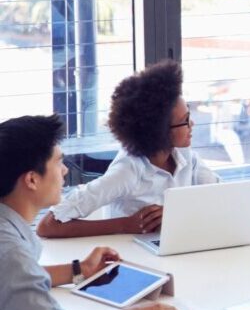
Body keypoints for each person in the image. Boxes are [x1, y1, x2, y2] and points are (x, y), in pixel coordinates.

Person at [0, 115, 185, 310]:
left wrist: (78, 270)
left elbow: (12, 279)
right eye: (59, 162)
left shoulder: (9, 233)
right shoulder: (10, 251)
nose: (65, 170)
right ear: (31, 179)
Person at [37, 60, 218, 238]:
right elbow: (48, 225)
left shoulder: (186, 157)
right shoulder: (127, 171)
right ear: (160, 132)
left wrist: (176, 213)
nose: (192, 124)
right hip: (135, 258)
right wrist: (126, 225)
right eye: (184, 121)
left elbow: (220, 197)